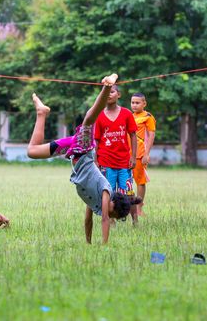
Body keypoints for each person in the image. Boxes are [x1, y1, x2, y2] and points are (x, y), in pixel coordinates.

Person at [26, 74, 141, 245]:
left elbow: (88, 221)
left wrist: (88, 243)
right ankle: (107, 85)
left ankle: (41, 113)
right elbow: (103, 222)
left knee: (32, 152)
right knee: (88, 120)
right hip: (84, 149)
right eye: (112, 214)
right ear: (113, 203)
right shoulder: (105, 192)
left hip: (74, 149)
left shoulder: (94, 201)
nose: (108, 216)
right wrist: (104, 245)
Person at [94, 84, 138, 224]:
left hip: (125, 162)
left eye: (112, 92)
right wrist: (95, 159)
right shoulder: (99, 115)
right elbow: (96, 140)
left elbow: (133, 135)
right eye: (106, 92)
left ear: (118, 95)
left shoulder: (126, 113)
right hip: (106, 162)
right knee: (108, 193)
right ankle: (110, 221)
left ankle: (135, 221)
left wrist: (133, 157)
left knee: (129, 194)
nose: (109, 94)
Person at [130, 92, 156, 216]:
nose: (134, 105)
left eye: (137, 103)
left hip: (140, 154)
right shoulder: (129, 116)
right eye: (132, 102)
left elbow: (151, 135)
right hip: (127, 154)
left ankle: (139, 208)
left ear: (144, 103)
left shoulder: (148, 117)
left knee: (140, 181)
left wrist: (147, 154)